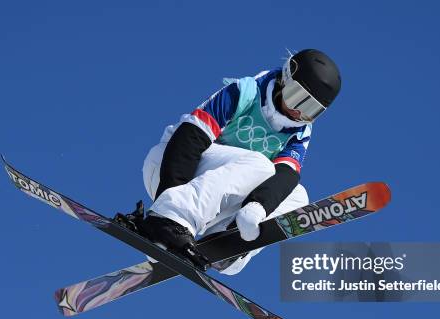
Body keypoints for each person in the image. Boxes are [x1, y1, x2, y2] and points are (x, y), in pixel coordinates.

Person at [139, 49, 341, 275]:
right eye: (297, 96)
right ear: (285, 78)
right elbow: (190, 138)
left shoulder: (299, 132)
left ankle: (228, 240)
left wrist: (256, 208)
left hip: (213, 196)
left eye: (310, 109)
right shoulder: (247, 92)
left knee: (297, 195)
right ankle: (171, 217)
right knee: (260, 164)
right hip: (171, 168)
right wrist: (167, 212)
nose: (297, 111)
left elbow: (286, 175)